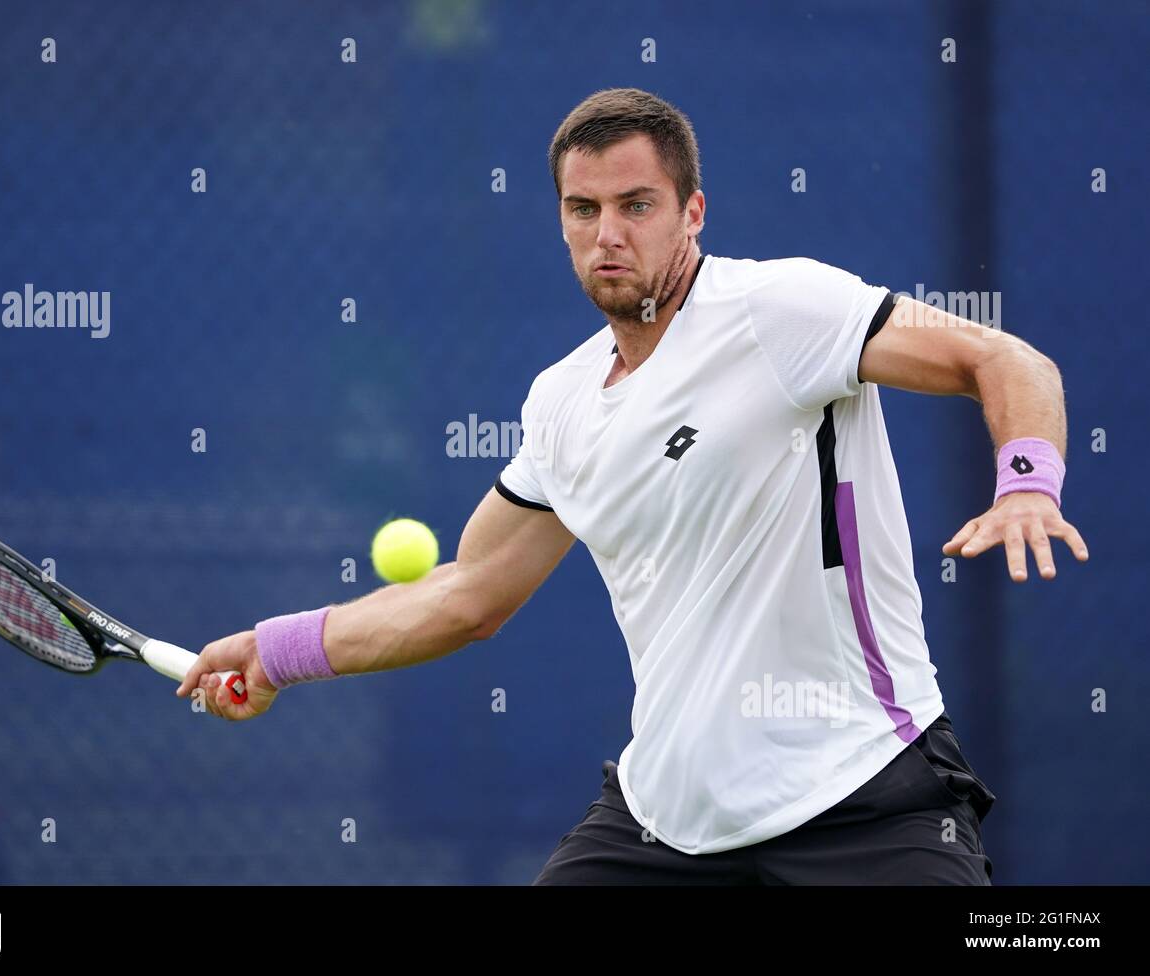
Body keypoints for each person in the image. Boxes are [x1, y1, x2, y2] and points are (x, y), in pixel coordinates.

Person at [176, 88, 1088, 884]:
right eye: (582, 209)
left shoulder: (782, 312)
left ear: (693, 211)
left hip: (864, 798)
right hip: (664, 826)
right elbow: (468, 595)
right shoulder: (561, 404)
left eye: (635, 205)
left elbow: (1001, 358)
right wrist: (277, 651)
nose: (607, 234)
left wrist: (1026, 486)